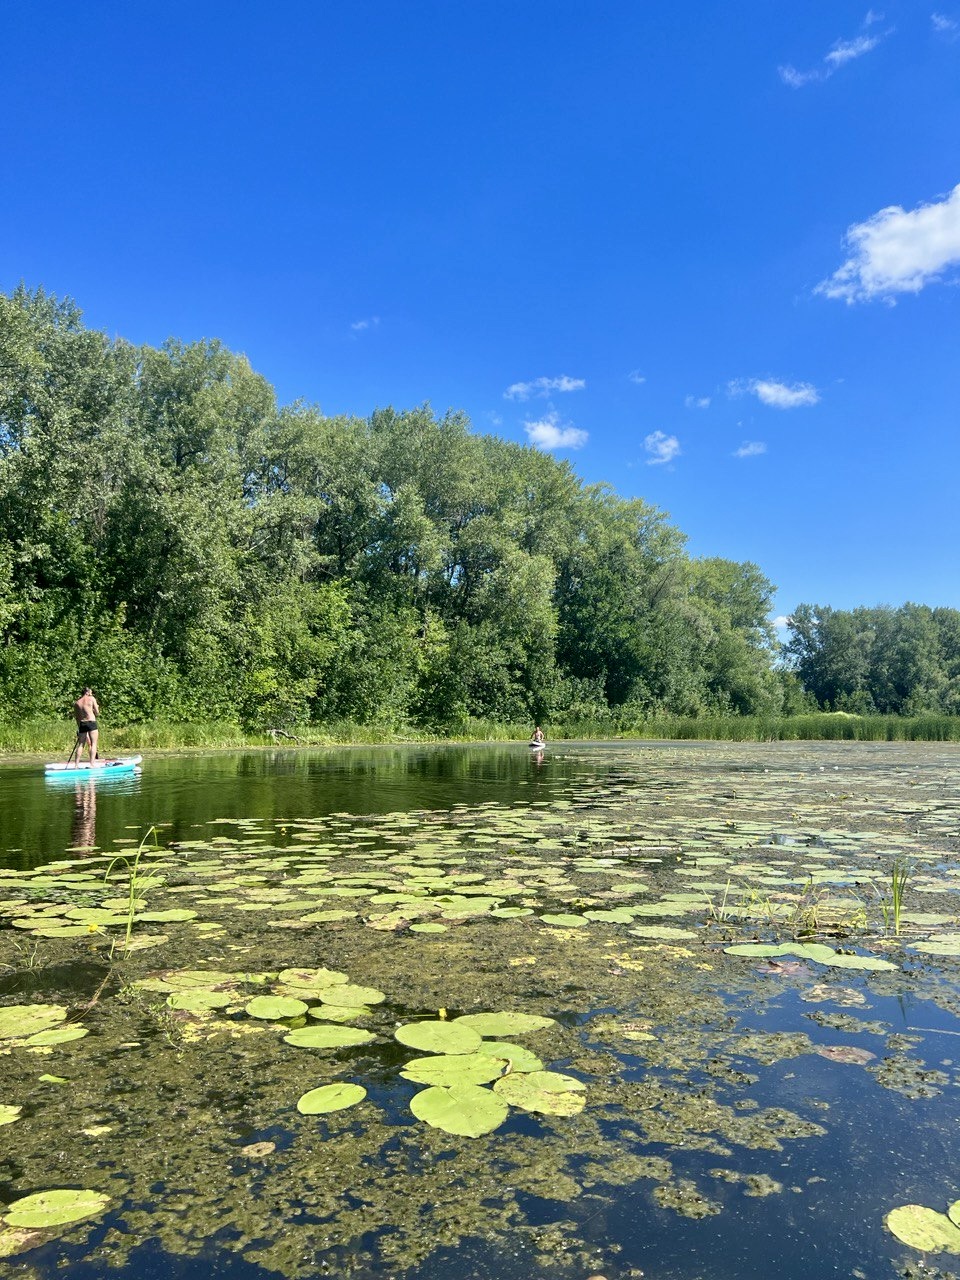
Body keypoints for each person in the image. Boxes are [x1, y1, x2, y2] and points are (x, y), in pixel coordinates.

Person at [73, 687, 101, 763]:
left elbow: (77, 717)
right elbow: (97, 713)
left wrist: (80, 727)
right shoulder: (91, 699)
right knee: (94, 743)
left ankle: (76, 765)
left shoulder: (77, 702)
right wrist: (95, 709)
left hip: (82, 724)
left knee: (81, 745)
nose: (91, 694)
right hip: (91, 722)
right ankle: (92, 763)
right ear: (87, 692)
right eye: (90, 693)